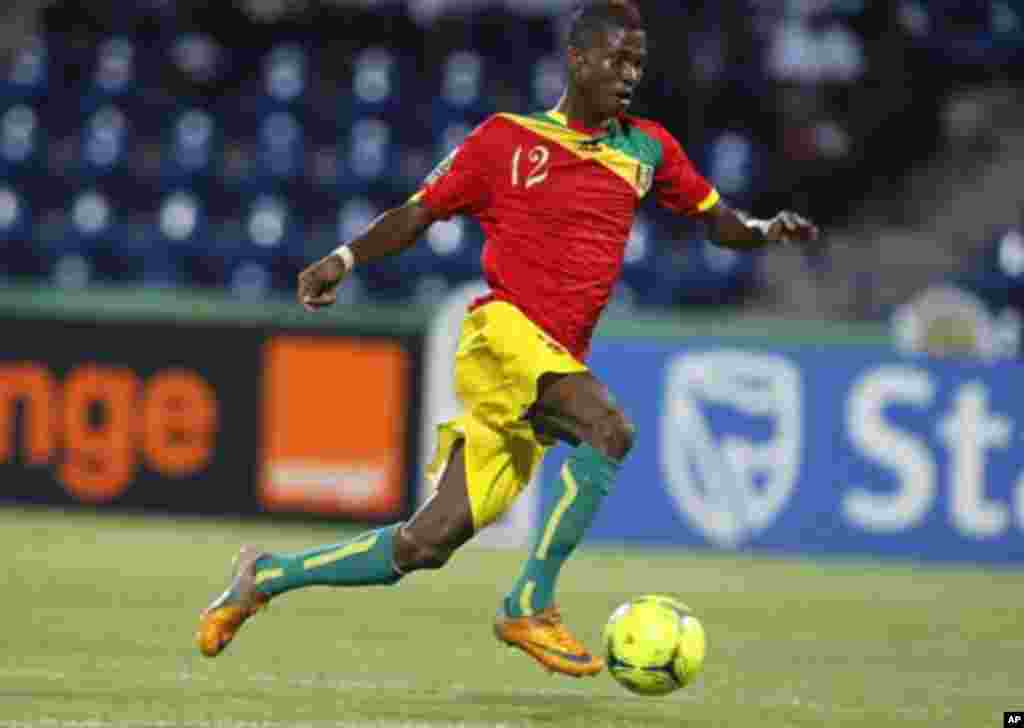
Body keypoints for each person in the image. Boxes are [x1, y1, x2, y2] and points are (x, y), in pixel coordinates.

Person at [196, 0, 820, 677]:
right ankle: (530, 602)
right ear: (578, 59)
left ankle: (264, 577)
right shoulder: (506, 141)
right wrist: (342, 260)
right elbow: (418, 212)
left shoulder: (648, 149)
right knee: (610, 429)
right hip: (504, 338)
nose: (630, 74)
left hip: (547, 365)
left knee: (423, 544)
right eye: (617, 59)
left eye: (638, 62)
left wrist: (764, 230)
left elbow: (715, 220)